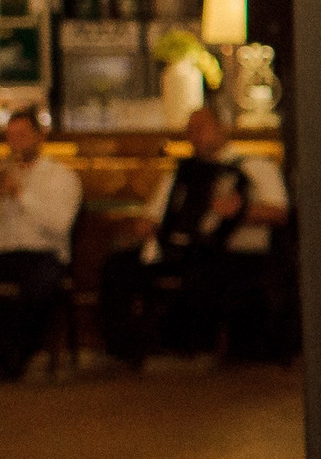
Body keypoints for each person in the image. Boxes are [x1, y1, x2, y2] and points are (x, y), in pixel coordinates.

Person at [99, 106, 292, 364]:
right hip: (183, 250)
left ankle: (197, 344)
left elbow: (279, 213)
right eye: (190, 130)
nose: (195, 135)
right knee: (118, 266)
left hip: (239, 251)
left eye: (202, 128)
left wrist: (241, 209)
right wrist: (147, 225)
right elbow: (155, 214)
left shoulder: (254, 166)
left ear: (221, 128)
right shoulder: (180, 174)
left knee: (209, 270)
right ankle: (127, 349)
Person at [0, 111, 82, 378]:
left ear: (40, 137)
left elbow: (59, 225)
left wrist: (20, 194)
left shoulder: (61, 177)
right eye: (11, 136)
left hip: (42, 254)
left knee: (38, 287)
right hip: (0, 255)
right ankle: (3, 345)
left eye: (22, 135)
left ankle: (10, 352)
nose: (16, 142)